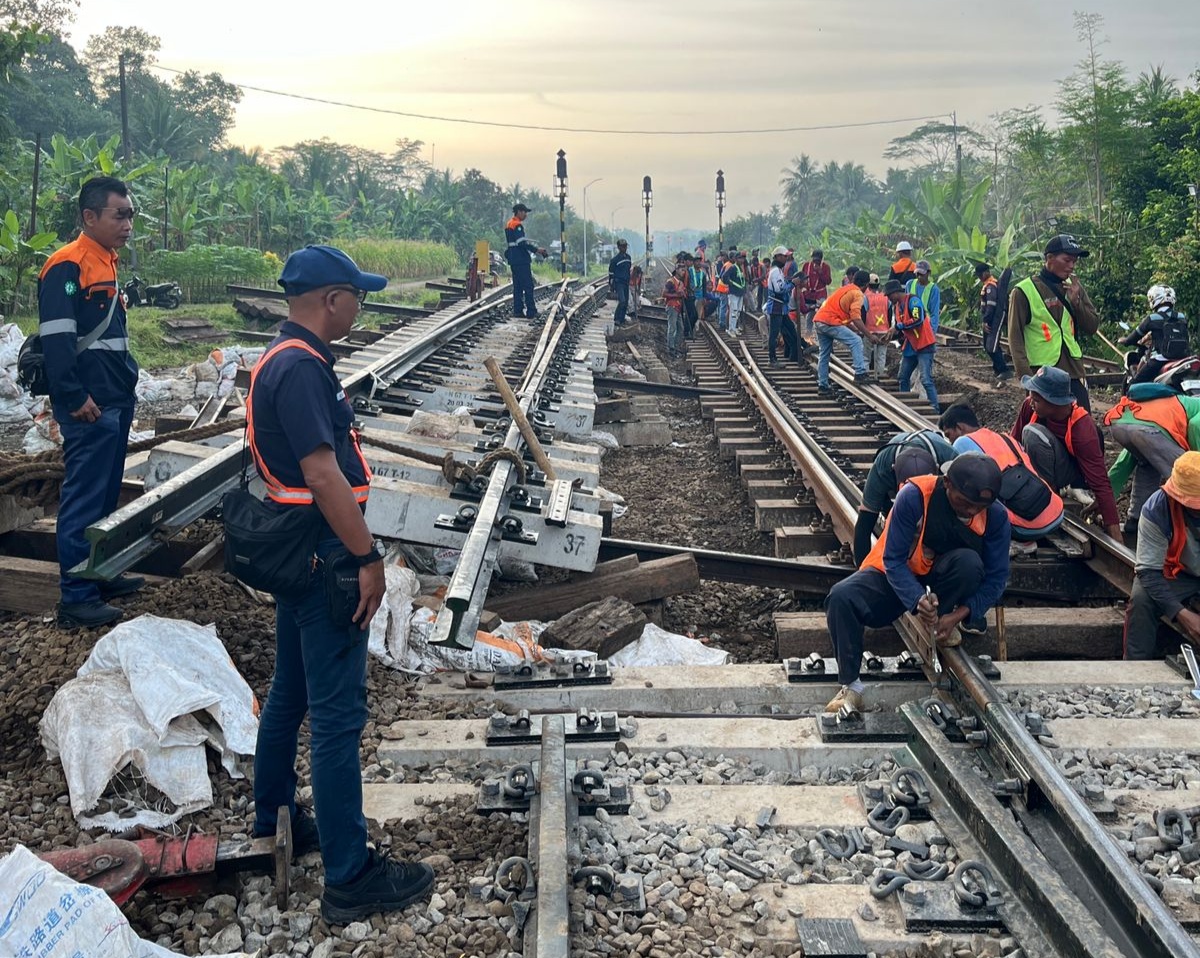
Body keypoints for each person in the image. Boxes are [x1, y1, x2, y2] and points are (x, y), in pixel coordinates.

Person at [249, 245, 435, 925]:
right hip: (327, 557)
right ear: (331, 299)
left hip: (299, 555)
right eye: (357, 294)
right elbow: (324, 474)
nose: (363, 304)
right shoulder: (301, 371)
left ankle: (271, 817)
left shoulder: (282, 358)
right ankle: (350, 877)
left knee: (290, 691)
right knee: (334, 717)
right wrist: (369, 557)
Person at [825, 454, 1011, 711]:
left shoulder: (996, 516)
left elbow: (997, 577)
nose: (970, 511)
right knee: (841, 597)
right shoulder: (914, 495)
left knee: (970, 564)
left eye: (977, 507)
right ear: (947, 483)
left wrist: (958, 615)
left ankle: (941, 619)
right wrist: (916, 599)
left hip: (944, 579)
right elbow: (893, 560)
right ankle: (851, 686)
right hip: (895, 575)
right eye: (964, 502)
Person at [38, 176, 144, 628]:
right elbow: (57, 341)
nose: (128, 224)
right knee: (83, 500)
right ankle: (77, 597)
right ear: (90, 217)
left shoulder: (107, 262)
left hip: (114, 400)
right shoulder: (68, 265)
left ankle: (98, 575)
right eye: (120, 215)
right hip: (90, 406)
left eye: (131, 215)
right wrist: (74, 397)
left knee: (103, 496)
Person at [1013, 365, 1122, 541]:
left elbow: (1101, 483)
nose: (1030, 402)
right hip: (1043, 467)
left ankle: (1049, 503)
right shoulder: (1029, 406)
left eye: (1037, 399)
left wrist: (1116, 538)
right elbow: (1013, 444)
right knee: (1030, 433)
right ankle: (1044, 496)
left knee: (1032, 433)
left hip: (1069, 473)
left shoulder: (1082, 428)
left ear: (1055, 402)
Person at [939, 403, 1064, 554]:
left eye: (948, 435)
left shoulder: (962, 443)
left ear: (959, 428)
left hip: (1023, 529)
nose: (950, 441)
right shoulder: (1005, 438)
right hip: (1056, 515)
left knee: (964, 492)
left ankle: (1018, 542)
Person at [1008, 233, 1101, 411]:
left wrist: (1076, 302)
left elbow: (1092, 326)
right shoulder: (1023, 291)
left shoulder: (1074, 287)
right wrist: (1027, 379)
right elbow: (1015, 338)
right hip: (1041, 373)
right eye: (1067, 260)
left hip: (1073, 371)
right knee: (1045, 429)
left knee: (1081, 423)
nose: (1071, 266)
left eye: (1074, 262)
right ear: (1049, 258)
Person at [1124, 451, 1200, 659]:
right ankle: (1135, 669)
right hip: (1179, 574)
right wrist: (1183, 615)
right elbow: (1148, 571)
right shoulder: (1157, 509)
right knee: (1141, 600)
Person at [1104, 370, 1200, 534]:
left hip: (1119, 423)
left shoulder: (1173, 406)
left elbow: (1125, 461)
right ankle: (1186, 530)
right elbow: (1196, 425)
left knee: (1147, 464)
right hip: (1149, 430)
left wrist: (1106, 496)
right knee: (1188, 477)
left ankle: (1135, 522)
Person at [852, 428, 957, 565]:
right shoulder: (883, 467)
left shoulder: (950, 459)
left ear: (937, 469)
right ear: (894, 471)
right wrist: (862, 570)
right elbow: (865, 523)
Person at [884, 279, 940, 413]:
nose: (889, 298)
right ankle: (905, 406)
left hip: (924, 344)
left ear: (896, 293)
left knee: (926, 379)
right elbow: (903, 329)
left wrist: (898, 326)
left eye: (890, 295)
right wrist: (891, 335)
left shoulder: (913, 301)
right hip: (911, 345)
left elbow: (917, 320)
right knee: (903, 376)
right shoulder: (897, 306)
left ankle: (935, 408)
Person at [1119, 284, 1190, 387]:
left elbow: (1134, 337)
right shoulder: (1181, 316)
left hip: (1161, 359)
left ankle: (1131, 402)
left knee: (1134, 385)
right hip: (1183, 359)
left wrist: (1126, 341)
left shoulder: (1152, 318)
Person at [813, 268, 870, 392]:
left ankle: (822, 385)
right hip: (830, 322)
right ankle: (860, 373)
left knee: (824, 354)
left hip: (819, 320)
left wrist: (855, 329)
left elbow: (841, 314)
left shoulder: (845, 289)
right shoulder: (858, 293)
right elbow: (855, 317)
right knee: (856, 341)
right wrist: (869, 335)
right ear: (866, 285)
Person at [504, 203, 547, 319]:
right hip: (521, 260)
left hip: (513, 260)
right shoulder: (517, 225)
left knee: (517, 286)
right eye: (525, 212)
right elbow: (521, 243)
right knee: (528, 286)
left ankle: (518, 311)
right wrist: (537, 250)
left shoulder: (509, 224)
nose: (526, 215)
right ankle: (531, 311)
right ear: (519, 212)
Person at [764, 246, 800, 366]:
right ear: (778, 257)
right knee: (774, 334)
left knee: (790, 329)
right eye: (785, 256)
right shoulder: (775, 272)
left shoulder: (777, 270)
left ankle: (795, 352)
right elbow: (780, 289)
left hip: (781, 307)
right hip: (776, 306)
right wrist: (792, 284)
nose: (787, 258)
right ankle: (772, 359)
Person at [976, 263, 1011, 381]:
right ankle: (998, 369)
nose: (980, 278)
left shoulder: (991, 286)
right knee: (990, 345)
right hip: (991, 318)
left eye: (980, 275)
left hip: (993, 319)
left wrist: (986, 320)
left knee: (991, 346)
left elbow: (991, 305)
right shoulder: (989, 285)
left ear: (986, 273)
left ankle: (1004, 370)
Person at [862, 273, 891, 378]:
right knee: (881, 356)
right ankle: (879, 376)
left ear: (868, 285)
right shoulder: (885, 297)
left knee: (865, 356)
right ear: (879, 285)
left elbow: (863, 314)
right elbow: (889, 314)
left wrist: (862, 330)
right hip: (884, 331)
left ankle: (865, 375)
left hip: (869, 331)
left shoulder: (865, 298)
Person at [800, 249, 832, 335]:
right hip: (808, 294)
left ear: (821, 259)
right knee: (809, 314)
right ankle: (808, 334)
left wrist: (820, 272)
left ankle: (820, 333)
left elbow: (828, 281)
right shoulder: (806, 265)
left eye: (818, 259)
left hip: (820, 295)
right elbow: (802, 278)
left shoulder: (826, 267)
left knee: (820, 315)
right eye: (814, 259)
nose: (816, 261)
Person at [662, 263, 687, 356]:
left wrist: (683, 294)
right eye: (682, 270)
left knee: (680, 328)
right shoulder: (670, 282)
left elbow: (683, 294)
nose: (683, 272)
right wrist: (676, 295)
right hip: (672, 306)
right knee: (672, 328)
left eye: (684, 270)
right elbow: (664, 294)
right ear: (676, 270)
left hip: (678, 307)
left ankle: (675, 347)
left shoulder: (681, 283)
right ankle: (671, 349)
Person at [721, 253, 746, 335]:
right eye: (739, 258)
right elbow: (724, 276)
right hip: (733, 293)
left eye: (742, 258)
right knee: (733, 311)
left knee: (738, 311)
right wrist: (730, 283)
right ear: (736, 259)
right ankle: (731, 329)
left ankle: (734, 327)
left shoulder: (740, 268)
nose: (741, 260)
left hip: (740, 293)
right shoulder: (732, 267)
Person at [608, 238, 631, 326]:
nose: (624, 248)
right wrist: (611, 285)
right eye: (622, 246)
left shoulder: (628, 258)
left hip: (626, 282)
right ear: (618, 247)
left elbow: (629, 270)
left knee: (626, 302)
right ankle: (617, 318)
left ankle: (621, 319)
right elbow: (611, 274)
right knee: (622, 301)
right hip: (619, 283)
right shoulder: (614, 260)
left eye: (625, 246)